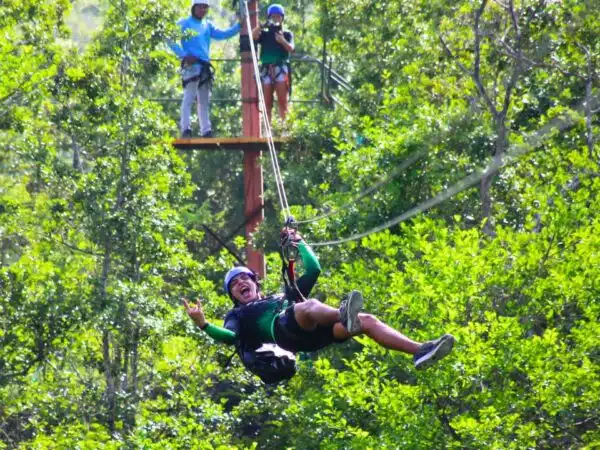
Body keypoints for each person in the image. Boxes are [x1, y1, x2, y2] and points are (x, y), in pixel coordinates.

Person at [184, 228, 455, 384]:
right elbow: (230, 338)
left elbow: (314, 268)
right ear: (233, 295)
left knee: (368, 321)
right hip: (285, 333)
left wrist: (299, 243)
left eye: (245, 279)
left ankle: (420, 350)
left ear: (256, 284)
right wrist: (203, 325)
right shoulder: (239, 314)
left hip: (310, 338)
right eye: (235, 284)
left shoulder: (280, 297)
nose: (241, 283)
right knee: (308, 306)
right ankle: (343, 316)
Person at [169, 0, 240, 138]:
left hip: (204, 66)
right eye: (200, 7)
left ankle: (206, 130)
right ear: (194, 8)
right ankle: (186, 129)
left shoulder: (207, 25)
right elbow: (169, 38)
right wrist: (184, 55)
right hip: (191, 66)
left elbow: (223, 34)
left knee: (204, 100)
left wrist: (239, 26)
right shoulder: (185, 23)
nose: (203, 10)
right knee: (189, 97)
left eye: (205, 8)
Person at [251, 4, 294, 126]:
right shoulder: (264, 34)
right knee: (266, 102)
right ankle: (267, 129)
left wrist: (282, 41)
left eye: (278, 16)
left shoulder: (286, 34)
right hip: (266, 70)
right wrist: (260, 26)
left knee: (282, 101)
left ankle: (284, 128)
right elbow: (253, 36)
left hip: (280, 69)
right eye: (273, 17)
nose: (276, 19)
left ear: (282, 18)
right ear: (269, 17)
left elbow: (291, 48)